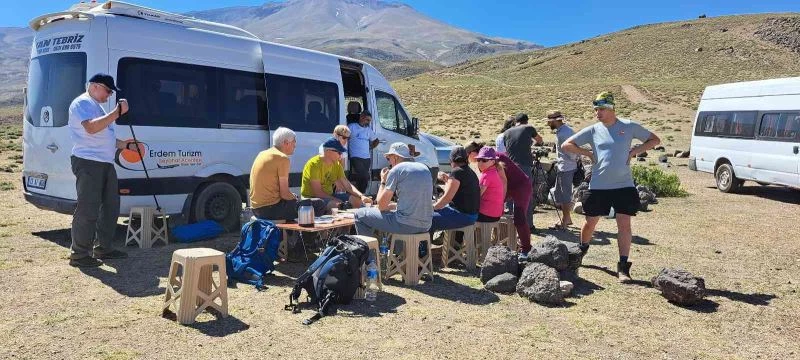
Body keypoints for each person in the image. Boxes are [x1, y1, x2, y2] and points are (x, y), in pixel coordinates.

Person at [561, 92, 661, 282]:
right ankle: (582, 251)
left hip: (624, 185)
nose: (597, 113)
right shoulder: (593, 130)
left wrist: (635, 151)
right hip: (599, 185)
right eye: (596, 109)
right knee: (590, 223)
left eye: (601, 109)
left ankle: (623, 267)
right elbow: (567, 145)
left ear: (611, 108)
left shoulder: (629, 126)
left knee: (624, 224)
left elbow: (655, 140)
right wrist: (587, 153)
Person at [67, 73, 134, 267]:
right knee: (88, 208)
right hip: (88, 162)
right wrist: (117, 112)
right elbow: (91, 128)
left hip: (105, 163)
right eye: (108, 90)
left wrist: (126, 146)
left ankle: (103, 247)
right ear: (95, 86)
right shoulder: (82, 103)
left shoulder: (97, 106)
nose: (110, 95)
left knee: (110, 207)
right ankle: (79, 255)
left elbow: (105, 136)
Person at [465, 141, 533, 258]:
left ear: (472, 153)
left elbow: (504, 182)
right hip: (506, 186)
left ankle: (526, 249)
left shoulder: (493, 157)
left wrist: (501, 203)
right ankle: (493, 242)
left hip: (520, 186)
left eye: (467, 156)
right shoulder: (484, 161)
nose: (470, 160)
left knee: (519, 217)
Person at [354, 142, 433, 237]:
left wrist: (383, 181)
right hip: (426, 225)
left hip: (405, 225)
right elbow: (414, 202)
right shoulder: (424, 168)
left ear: (395, 157)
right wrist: (393, 206)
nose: (389, 162)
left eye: (389, 158)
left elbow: (381, 205)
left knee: (360, 215)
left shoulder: (396, 170)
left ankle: (368, 247)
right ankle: (390, 245)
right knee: (389, 214)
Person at [301, 137, 370, 213]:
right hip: (311, 198)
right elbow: (318, 193)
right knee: (336, 205)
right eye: (339, 152)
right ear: (328, 151)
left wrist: (361, 196)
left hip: (329, 196)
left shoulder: (337, 165)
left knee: (356, 201)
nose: (341, 156)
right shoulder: (313, 164)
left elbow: (348, 186)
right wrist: (338, 201)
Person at [502, 113, 543, 233]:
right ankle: (528, 225)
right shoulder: (528, 128)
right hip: (524, 166)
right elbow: (539, 140)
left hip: (509, 167)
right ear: (526, 121)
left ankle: (510, 224)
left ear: (516, 121)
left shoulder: (507, 132)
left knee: (510, 195)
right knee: (526, 195)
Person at [250, 127, 299, 221]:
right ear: (286, 143)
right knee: (316, 205)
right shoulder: (282, 158)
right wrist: (295, 198)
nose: (295, 145)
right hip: (271, 209)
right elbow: (284, 194)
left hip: (256, 209)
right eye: (294, 141)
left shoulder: (262, 154)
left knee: (295, 204)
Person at [429, 146, 480, 234]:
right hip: (472, 215)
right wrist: (448, 180)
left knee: (426, 220)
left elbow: (447, 198)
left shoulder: (457, 172)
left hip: (463, 216)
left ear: (451, 160)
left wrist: (432, 208)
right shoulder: (470, 172)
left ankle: (423, 243)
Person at [546, 110, 579, 229]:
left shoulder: (563, 134)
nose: (548, 124)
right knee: (560, 193)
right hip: (564, 166)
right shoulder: (564, 131)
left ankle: (565, 222)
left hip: (566, 167)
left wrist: (570, 160)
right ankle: (567, 218)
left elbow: (572, 151)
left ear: (555, 121)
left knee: (565, 195)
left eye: (550, 122)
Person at [348, 110, 379, 193]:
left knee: (363, 177)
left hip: (366, 157)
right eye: (367, 120)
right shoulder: (352, 127)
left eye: (369, 120)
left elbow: (376, 141)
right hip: (355, 156)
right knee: (364, 175)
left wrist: (370, 147)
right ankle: (361, 194)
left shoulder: (368, 130)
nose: (368, 122)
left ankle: (360, 194)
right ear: (361, 117)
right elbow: (345, 137)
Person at [475, 147, 505, 223]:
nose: (480, 163)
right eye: (478, 160)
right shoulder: (494, 172)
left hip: (487, 214)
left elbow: (477, 195)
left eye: (484, 160)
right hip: (495, 214)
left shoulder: (487, 175)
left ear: (493, 161)